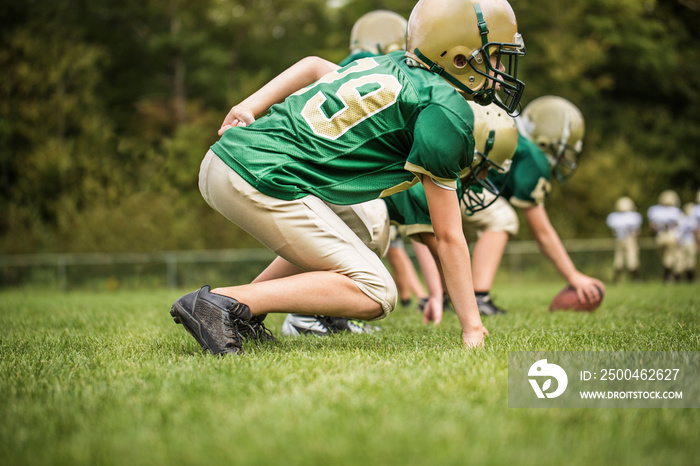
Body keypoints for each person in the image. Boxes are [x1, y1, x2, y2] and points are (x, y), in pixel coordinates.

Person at [168, 0, 527, 355]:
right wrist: (473, 327)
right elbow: (449, 236)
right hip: (259, 173)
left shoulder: (388, 65)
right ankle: (219, 303)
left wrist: (250, 105)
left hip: (237, 160)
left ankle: (244, 312)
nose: (501, 67)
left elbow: (310, 66)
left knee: (367, 228)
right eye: (495, 55)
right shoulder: (444, 109)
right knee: (377, 293)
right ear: (460, 58)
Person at [460, 96, 606, 315]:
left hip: (443, 182)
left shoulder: (511, 129)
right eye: (563, 150)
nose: (563, 157)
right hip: (459, 186)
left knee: (465, 231)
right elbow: (542, 231)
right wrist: (573, 275)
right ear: (548, 140)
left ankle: (446, 296)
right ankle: (479, 297)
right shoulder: (532, 155)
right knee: (502, 218)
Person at [647, 189, 683, 283]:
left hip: (660, 236)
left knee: (665, 257)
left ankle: (668, 277)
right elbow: (679, 227)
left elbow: (652, 227)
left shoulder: (654, 210)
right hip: (671, 235)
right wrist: (679, 238)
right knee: (672, 257)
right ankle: (669, 277)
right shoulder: (676, 211)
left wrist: (654, 236)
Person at [606, 196, 643, 283]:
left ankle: (616, 280)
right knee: (632, 260)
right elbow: (636, 232)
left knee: (619, 260)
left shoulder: (614, 217)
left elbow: (614, 231)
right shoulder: (633, 216)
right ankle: (636, 280)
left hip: (619, 240)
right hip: (630, 239)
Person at [677, 202, 698, 282]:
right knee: (690, 261)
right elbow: (695, 231)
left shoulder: (681, 219)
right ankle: (690, 279)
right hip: (690, 241)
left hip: (682, 242)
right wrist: (696, 242)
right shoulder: (692, 220)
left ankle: (678, 279)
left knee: (681, 261)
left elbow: (678, 232)